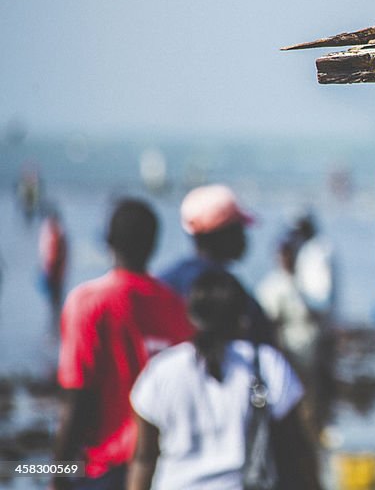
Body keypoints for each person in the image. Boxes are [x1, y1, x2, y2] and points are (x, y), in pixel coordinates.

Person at [128, 270, 319, 490]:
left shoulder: (162, 370)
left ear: (191, 315)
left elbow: (144, 457)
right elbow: (296, 449)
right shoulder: (266, 363)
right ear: (243, 318)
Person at [53, 199, 193, 490]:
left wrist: (57, 475)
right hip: (161, 466)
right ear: (154, 244)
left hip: (101, 469)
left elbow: (77, 399)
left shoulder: (88, 303)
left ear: (108, 240)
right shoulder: (176, 306)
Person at [160, 184, 274, 344]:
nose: (245, 237)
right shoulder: (235, 295)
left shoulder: (164, 284)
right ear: (225, 233)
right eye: (239, 228)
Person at [257, 233, 328, 435]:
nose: (287, 258)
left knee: (313, 398)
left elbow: (318, 311)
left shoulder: (305, 281)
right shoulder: (272, 287)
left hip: (311, 352)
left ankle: (313, 435)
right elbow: (271, 323)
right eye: (284, 254)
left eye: (291, 254)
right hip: (289, 354)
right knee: (293, 400)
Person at [39, 205, 68, 321]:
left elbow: (52, 257)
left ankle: (55, 330)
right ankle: (56, 328)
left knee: (54, 305)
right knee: (55, 304)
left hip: (54, 276)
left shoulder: (54, 234)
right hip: (58, 274)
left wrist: (48, 274)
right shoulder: (59, 233)